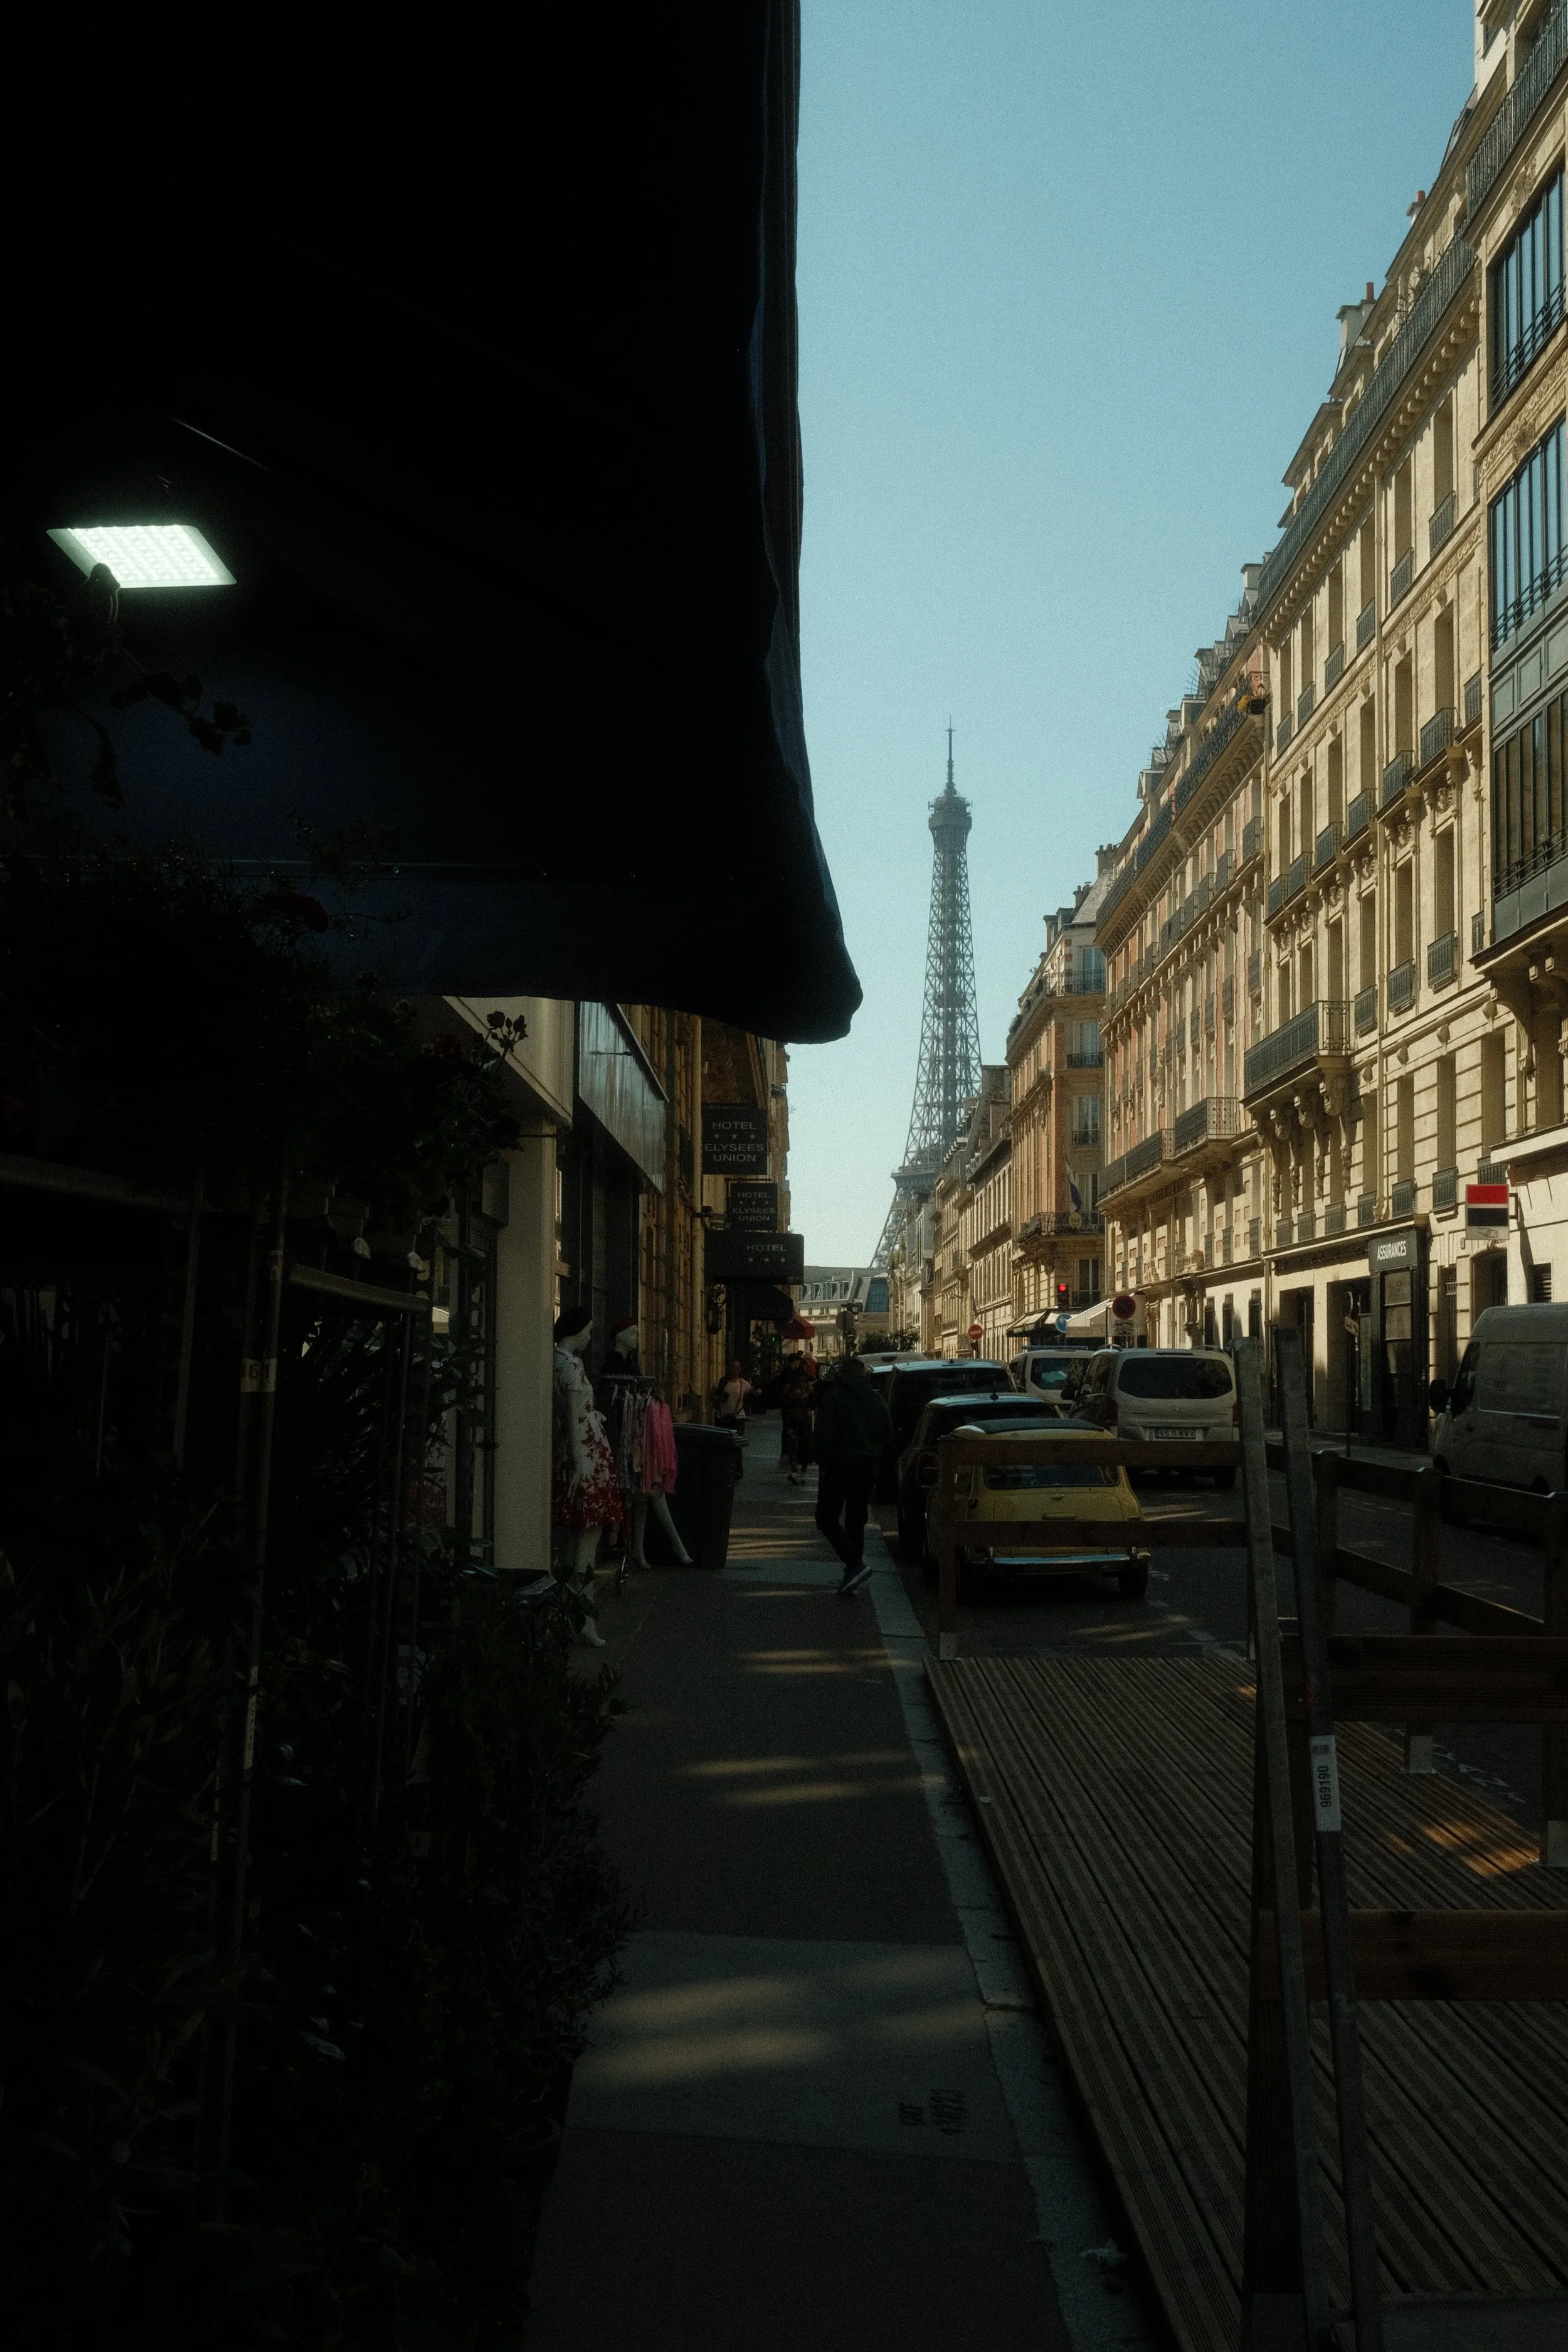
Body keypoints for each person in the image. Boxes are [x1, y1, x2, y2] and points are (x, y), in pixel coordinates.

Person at [812, 1353, 892, 1594]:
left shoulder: (833, 1397)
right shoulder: (876, 1400)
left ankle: (854, 1565)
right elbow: (887, 1436)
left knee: (826, 1518)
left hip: (838, 1467)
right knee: (856, 1521)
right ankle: (852, 1574)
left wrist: (821, 1463)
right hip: (867, 1467)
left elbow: (822, 1435)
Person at [779, 1360, 815, 1484]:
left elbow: (783, 1404)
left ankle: (798, 1472)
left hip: (797, 1421)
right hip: (801, 1421)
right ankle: (798, 1472)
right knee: (800, 1448)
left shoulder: (791, 1388)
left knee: (798, 1448)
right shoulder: (808, 1389)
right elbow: (813, 1405)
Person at [712, 1360, 753, 1434]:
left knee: (736, 1441)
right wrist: (719, 1398)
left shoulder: (744, 1384)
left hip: (738, 1418)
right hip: (722, 1418)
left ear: (740, 1370)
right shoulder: (721, 1382)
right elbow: (711, 1397)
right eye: (733, 1368)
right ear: (728, 1369)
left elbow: (752, 1393)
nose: (735, 1371)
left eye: (737, 1369)